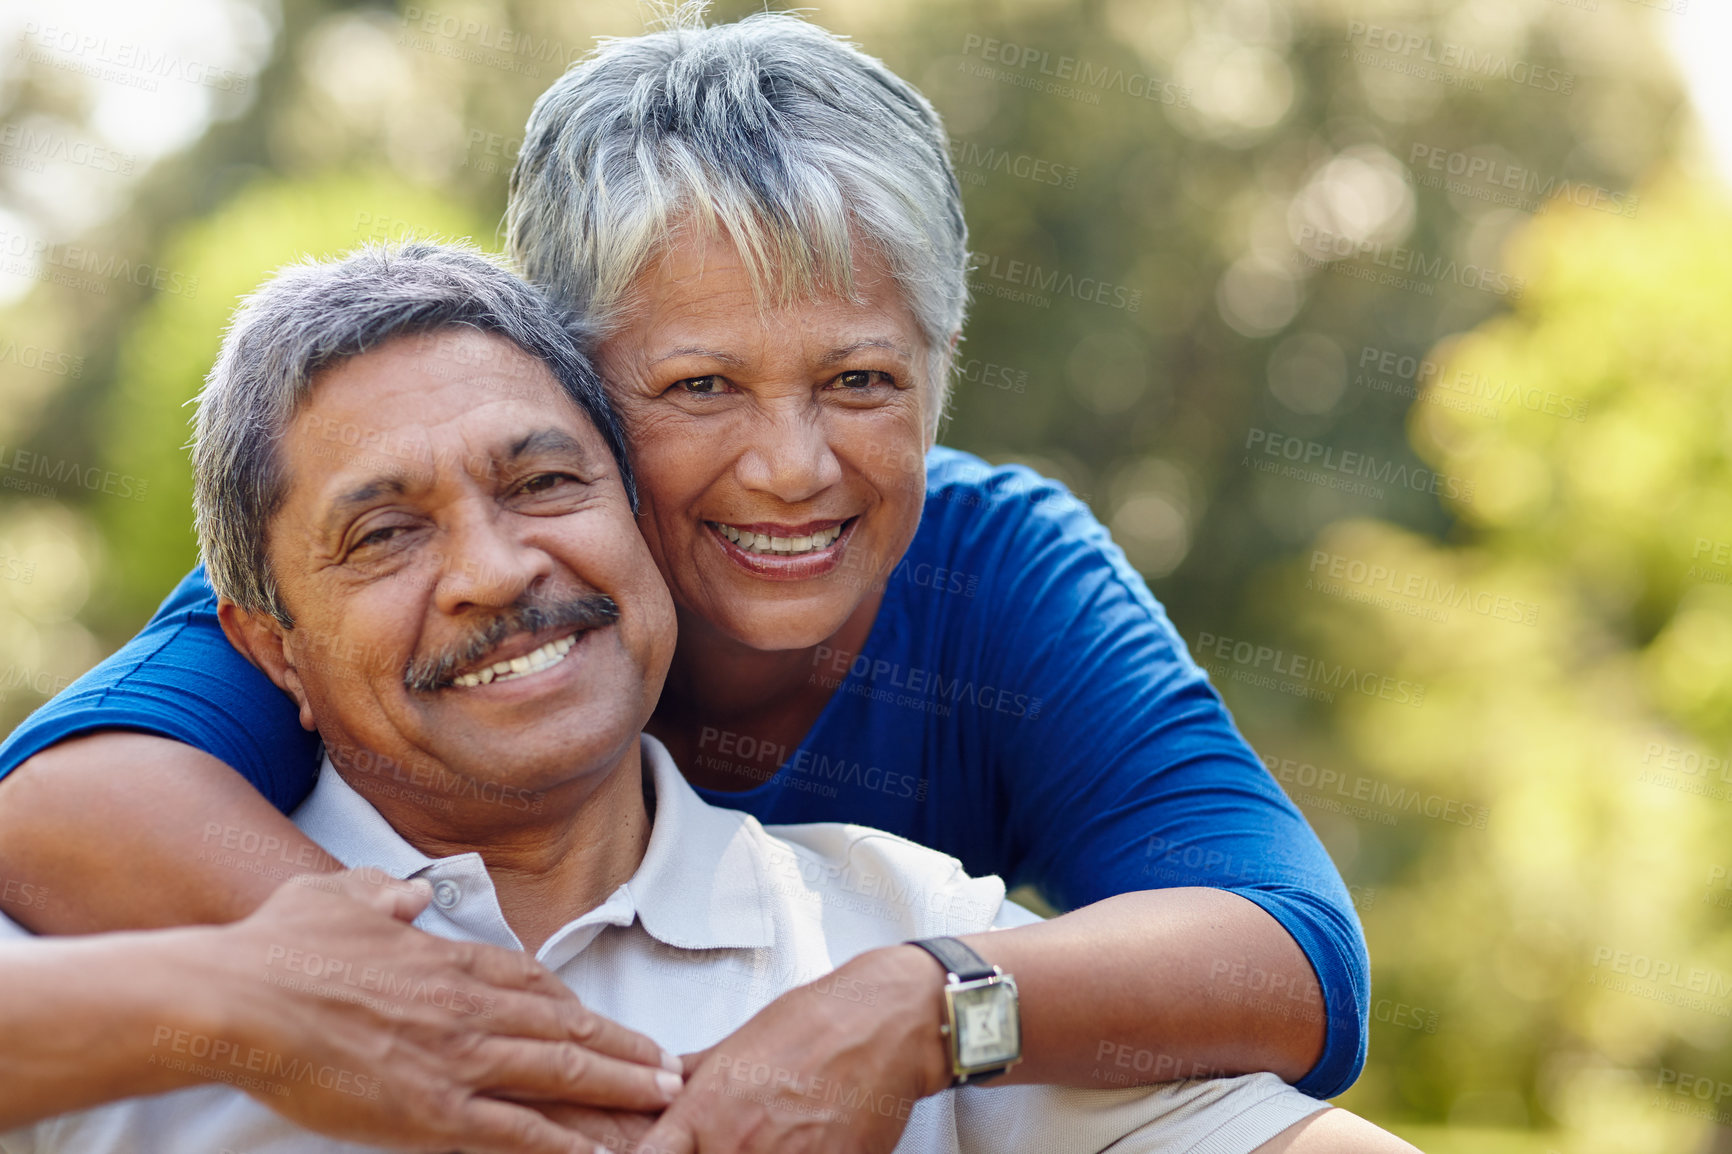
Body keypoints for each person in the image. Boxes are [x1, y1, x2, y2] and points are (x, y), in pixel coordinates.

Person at [0, 10, 1379, 1148]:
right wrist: (390, 1020)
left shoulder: (988, 597)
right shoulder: (407, 582)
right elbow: (63, 803)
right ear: (571, 386)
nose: (791, 467)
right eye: (701, 386)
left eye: (859, 380)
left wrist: (917, 1008)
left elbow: (1293, 951)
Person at [0, 866, 682, 1150]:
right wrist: (248, 992)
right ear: (274, 651)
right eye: (376, 551)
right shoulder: (64, 919)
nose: (492, 576)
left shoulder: (792, 915)